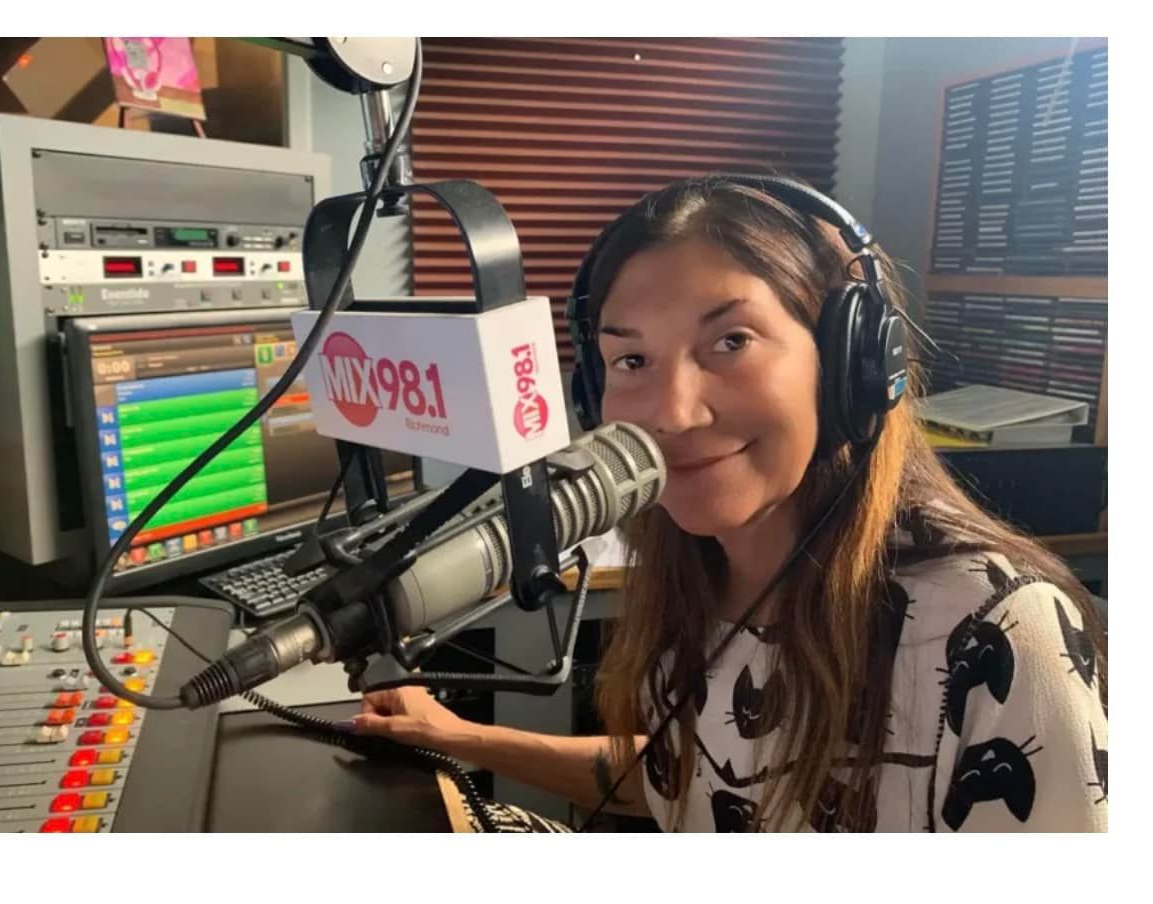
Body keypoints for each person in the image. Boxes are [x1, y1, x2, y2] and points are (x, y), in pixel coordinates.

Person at [335, 175, 1109, 832]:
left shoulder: (997, 628)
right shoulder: (700, 569)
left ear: (850, 364)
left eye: (731, 341)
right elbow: (690, 776)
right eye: (631, 358)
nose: (671, 412)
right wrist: (460, 736)